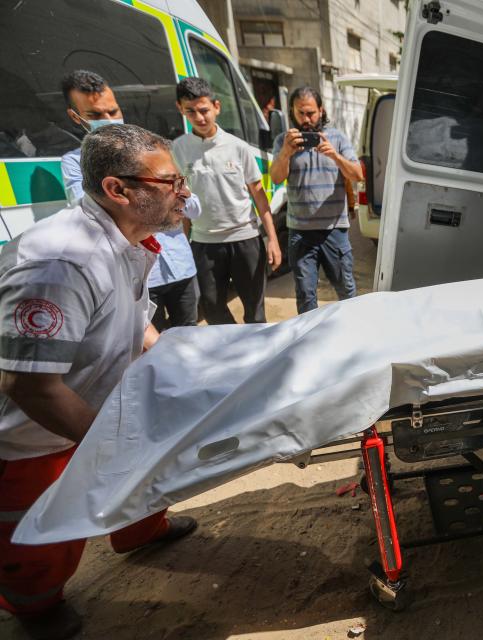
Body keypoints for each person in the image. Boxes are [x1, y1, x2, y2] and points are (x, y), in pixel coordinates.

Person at [0, 124, 199, 640]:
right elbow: (29, 388)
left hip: (97, 398)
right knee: (38, 534)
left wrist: (179, 357)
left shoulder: (124, 238)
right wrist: (112, 443)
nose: (185, 193)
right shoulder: (61, 263)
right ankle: (36, 608)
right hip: (31, 432)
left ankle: (140, 530)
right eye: (170, 182)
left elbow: (133, 315)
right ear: (118, 190)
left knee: (140, 475)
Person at [60, 70, 201, 331]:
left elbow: (192, 205)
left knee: (188, 335)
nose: (108, 120)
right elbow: (98, 216)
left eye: (113, 112)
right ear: (75, 116)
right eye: (95, 115)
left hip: (180, 265)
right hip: (143, 277)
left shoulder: (152, 152)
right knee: (145, 346)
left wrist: (169, 193)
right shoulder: (75, 163)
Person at [172, 77, 281, 324]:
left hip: (245, 240)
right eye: (191, 111)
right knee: (211, 308)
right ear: (180, 109)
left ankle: (258, 356)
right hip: (204, 243)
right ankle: (233, 353)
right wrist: (185, 244)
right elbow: (183, 203)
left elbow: (260, 198)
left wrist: (272, 239)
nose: (199, 117)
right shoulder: (178, 150)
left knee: (255, 310)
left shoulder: (238, 148)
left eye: (204, 110)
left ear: (216, 107)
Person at [269, 86, 363, 313]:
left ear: (321, 110)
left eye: (310, 113)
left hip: (335, 231)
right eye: (300, 113)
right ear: (292, 112)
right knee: (305, 295)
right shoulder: (284, 141)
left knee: (346, 291)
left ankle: (352, 331)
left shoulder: (338, 138)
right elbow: (276, 178)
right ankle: (309, 340)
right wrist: (285, 153)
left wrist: (334, 155)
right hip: (300, 233)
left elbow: (358, 175)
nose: (306, 119)